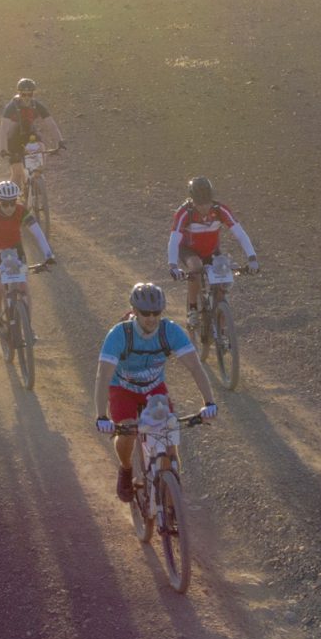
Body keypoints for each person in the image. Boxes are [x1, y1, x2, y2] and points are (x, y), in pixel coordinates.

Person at [91, 283, 218, 503]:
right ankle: (126, 469)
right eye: (145, 313)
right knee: (127, 431)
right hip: (122, 387)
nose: (151, 318)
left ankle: (173, 497)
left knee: (168, 441)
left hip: (153, 388)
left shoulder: (170, 331)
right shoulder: (120, 334)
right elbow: (103, 377)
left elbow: (196, 367)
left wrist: (209, 402)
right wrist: (102, 416)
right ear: (134, 311)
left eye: (156, 313)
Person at [0, 181, 55, 336]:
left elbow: (38, 233)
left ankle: (28, 328)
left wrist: (48, 255)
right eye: (5, 204)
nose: (9, 207)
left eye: (12, 203)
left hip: (14, 250)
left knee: (23, 287)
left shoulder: (21, 211)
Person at [165, 176, 259, 322]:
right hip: (189, 250)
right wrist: (173, 265)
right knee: (196, 267)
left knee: (222, 284)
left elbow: (240, 234)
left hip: (211, 251)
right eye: (199, 204)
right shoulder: (184, 212)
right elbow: (174, 240)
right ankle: (193, 308)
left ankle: (222, 334)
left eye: (207, 203)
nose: (203, 207)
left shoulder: (220, 210)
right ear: (192, 200)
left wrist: (252, 258)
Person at [0, 77, 68, 189]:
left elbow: (51, 124)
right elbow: (3, 130)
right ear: (19, 93)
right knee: (17, 174)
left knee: (40, 148)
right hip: (14, 139)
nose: (27, 98)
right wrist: (3, 149)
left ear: (33, 94)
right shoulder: (11, 107)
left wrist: (60, 141)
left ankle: (36, 179)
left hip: (30, 136)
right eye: (23, 95)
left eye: (29, 95)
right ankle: (12, 202)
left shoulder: (37, 105)